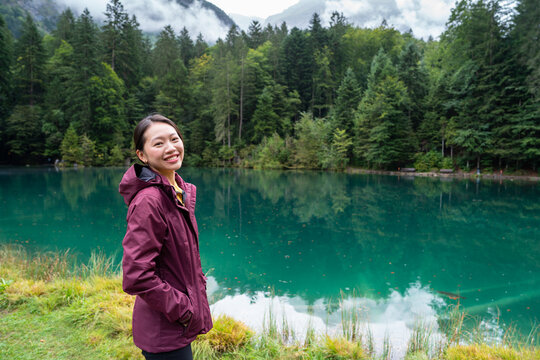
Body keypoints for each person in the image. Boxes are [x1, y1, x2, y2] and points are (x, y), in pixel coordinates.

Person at [119, 114, 213, 360]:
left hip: (174, 325)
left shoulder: (177, 193)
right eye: (158, 143)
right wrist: (184, 309)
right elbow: (136, 276)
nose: (171, 148)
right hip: (164, 329)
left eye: (174, 139)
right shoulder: (150, 201)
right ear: (142, 155)